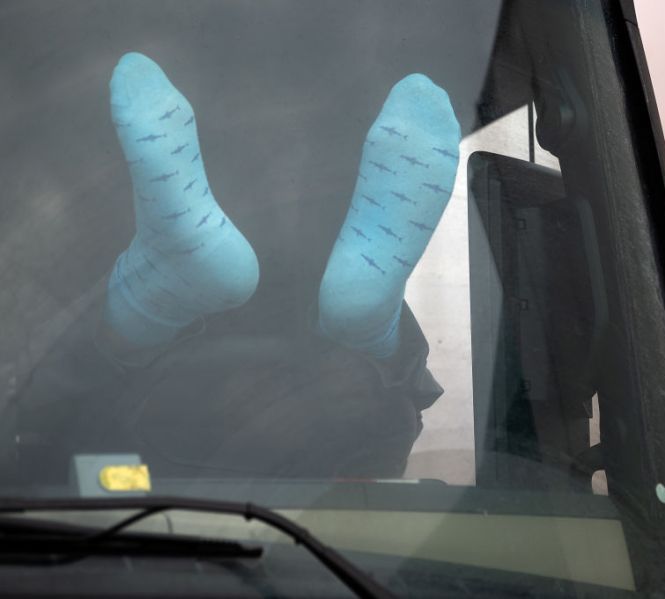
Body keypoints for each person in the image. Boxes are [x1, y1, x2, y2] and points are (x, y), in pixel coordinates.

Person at [3, 52, 461, 487]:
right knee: (384, 406)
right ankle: (375, 338)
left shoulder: (60, 241)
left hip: (125, 486)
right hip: (327, 488)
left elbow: (33, 408)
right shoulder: (314, 259)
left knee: (63, 389)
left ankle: (152, 292)